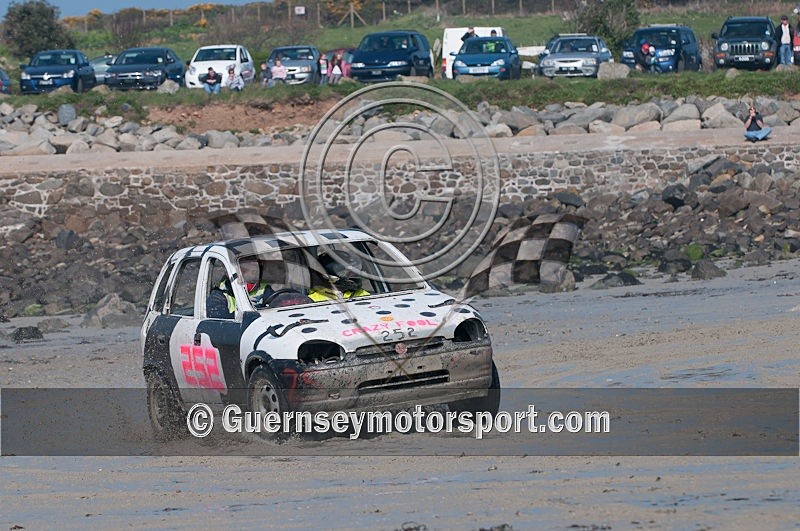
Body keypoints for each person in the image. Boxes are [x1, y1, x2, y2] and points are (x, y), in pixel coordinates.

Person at [206, 257, 273, 318]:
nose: (252, 275)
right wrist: (250, 313)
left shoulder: (265, 289)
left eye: (255, 271)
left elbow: (278, 306)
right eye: (244, 271)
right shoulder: (218, 296)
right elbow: (220, 322)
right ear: (230, 274)